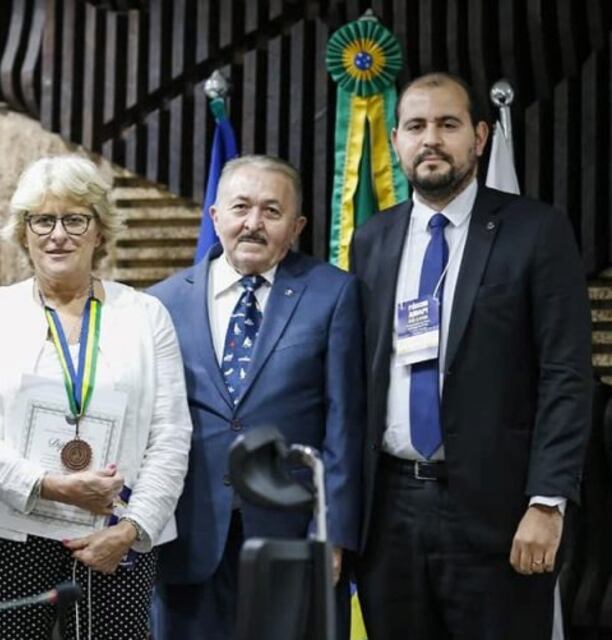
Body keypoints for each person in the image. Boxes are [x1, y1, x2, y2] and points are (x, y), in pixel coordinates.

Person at [350, 72, 593, 639]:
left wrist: (548, 502)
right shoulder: (372, 240)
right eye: (415, 125)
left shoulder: (536, 230)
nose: (430, 139)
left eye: (448, 124)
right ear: (396, 142)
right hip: (390, 515)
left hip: (502, 513)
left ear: (480, 137)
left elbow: (566, 373)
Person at [0, 154, 192, 639]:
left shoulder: (147, 316)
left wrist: (132, 529)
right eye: (43, 220)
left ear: (99, 230)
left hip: (116, 536)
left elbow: (171, 435)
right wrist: (50, 486)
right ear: (24, 231)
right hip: (12, 536)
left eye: (75, 219)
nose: (58, 234)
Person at [148, 154, 364, 639]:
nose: (253, 223)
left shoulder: (333, 295)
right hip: (188, 538)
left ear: (298, 225)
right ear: (215, 216)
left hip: (292, 540)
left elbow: (345, 423)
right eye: (241, 207)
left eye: (272, 211)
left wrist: (331, 536)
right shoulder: (161, 303)